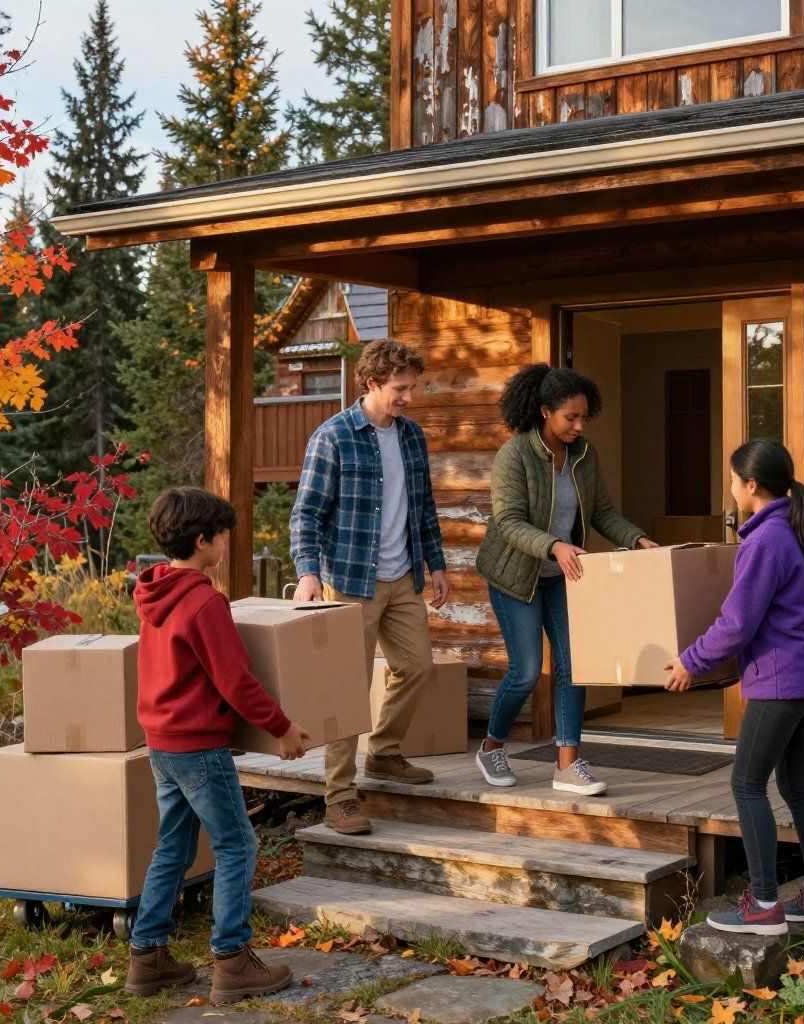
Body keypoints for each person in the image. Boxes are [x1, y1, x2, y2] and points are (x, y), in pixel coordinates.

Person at [126, 487, 311, 1004]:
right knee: (237, 845)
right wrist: (281, 726)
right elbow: (236, 680)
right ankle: (232, 962)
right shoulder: (205, 601)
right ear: (204, 540)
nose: (227, 541)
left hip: (162, 742)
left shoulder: (153, 593)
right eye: (223, 534)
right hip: (199, 747)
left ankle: (148, 957)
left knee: (175, 846)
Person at [665, 438, 804, 936]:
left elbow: (737, 623)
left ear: (750, 485)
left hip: (784, 681)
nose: (729, 487)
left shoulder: (765, 541)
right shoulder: (796, 527)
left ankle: (764, 905)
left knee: (747, 784)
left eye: (731, 479)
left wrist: (691, 662)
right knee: (796, 785)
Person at [291, 338, 449, 836]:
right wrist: (308, 572)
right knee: (346, 691)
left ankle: (383, 752)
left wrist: (437, 564)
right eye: (401, 389)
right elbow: (307, 514)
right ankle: (339, 796)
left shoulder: (411, 437)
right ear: (372, 383)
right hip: (350, 580)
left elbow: (423, 508)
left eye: (413, 388)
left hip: (403, 577)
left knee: (418, 666)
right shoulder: (333, 437)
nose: (409, 398)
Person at [474, 364, 657, 796]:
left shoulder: (585, 456)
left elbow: (602, 512)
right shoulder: (514, 455)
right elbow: (509, 521)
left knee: (576, 666)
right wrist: (554, 544)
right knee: (524, 673)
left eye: (583, 417)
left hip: (563, 577)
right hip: (515, 575)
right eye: (570, 418)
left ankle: (568, 763)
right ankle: (491, 746)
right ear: (544, 412)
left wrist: (639, 538)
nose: (578, 425)